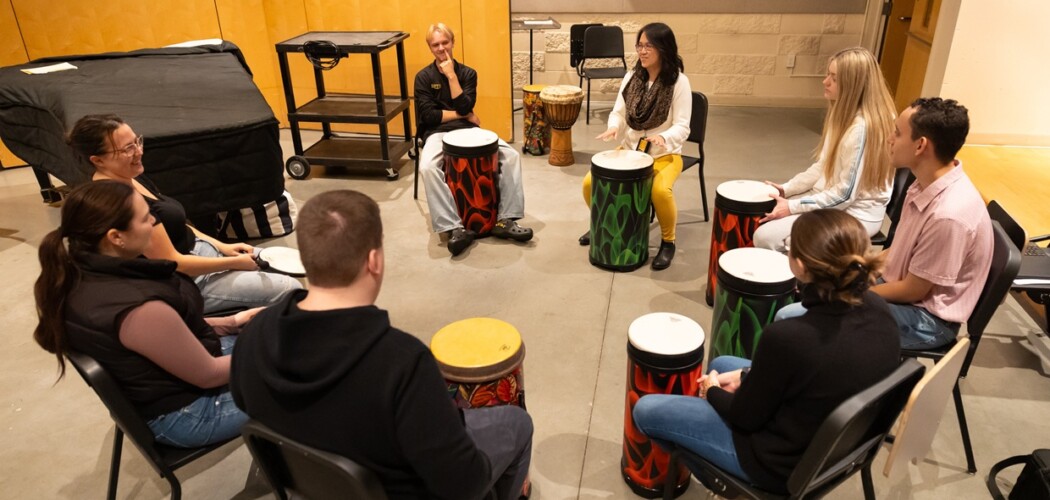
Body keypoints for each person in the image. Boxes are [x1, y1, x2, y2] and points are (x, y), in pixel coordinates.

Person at [230, 190, 533, 500]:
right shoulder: (402, 365)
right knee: (517, 423)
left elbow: (246, 405)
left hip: (316, 489)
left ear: (307, 259)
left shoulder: (255, 336)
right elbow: (463, 485)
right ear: (374, 261)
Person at [632, 209, 900, 492]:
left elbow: (744, 417)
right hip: (838, 450)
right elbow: (818, 373)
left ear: (800, 265)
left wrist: (711, 390)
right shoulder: (880, 312)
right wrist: (748, 375)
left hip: (779, 465)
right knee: (724, 363)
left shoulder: (789, 338)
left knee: (646, 411)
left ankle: (734, 489)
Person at [33, 181, 255, 447]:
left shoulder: (80, 269)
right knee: (306, 371)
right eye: (144, 218)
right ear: (116, 237)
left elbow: (161, 337)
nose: (153, 221)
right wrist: (269, 352)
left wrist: (231, 322)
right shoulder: (137, 307)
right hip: (189, 413)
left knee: (283, 339)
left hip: (163, 385)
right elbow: (208, 374)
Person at [67, 114, 302, 313]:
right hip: (188, 280)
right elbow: (174, 263)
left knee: (295, 261)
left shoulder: (133, 176)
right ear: (98, 160)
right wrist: (233, 263)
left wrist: (222, 246)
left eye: (137, 142)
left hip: (202, 253)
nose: (138, 151)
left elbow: (178, 223)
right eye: (128, 148)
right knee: (289, 288)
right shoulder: (116, 203)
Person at [873, 97, 992, 349]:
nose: (889, 139)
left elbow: (913, 291)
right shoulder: (922, 183)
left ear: (920, 146)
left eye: (897, 133)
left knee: (826, 317)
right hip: (904, 290)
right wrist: (859, 266)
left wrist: (853, 294)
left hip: (928, 319)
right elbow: (899, 251)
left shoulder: (948, 215)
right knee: (823, 285)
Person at [753, 47, 896, 252]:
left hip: (854, 215)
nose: (825, 81)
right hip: (835, 201)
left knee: (766, 237)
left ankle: (799, 281)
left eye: (834, 78)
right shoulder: (843, 115)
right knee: (762, 211)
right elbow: (823, 167)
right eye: (828, 74)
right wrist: (787, 188)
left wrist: (792, 206)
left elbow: (846, 195)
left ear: (854, 86)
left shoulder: (863, 129)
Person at [414, 22, 533, 256]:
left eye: (445, 42)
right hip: (437, 133)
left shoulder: (468, 73)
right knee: (427, 167)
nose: (441, 48)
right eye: (435, 45)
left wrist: (450, 76)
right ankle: (454, 227)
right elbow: (429, 116)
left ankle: (505, 219)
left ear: (453, 42)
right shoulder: (423, 77)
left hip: (468, 129)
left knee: (510, 155)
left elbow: (466, 104)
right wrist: (464, 114)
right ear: (430, 48)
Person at [580, 22, 691, 270]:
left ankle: (668, 242)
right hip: (631, 152)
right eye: (639, 45)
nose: (642, 51)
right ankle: (600, 223)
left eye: (648, 46)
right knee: (590, 183)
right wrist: (613, 127)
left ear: (664, 49)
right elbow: (619, 113)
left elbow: (683, 126)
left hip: (665, 154)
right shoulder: (632, 77)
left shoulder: (678, 82)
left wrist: (665, 137)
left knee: (660, 191)